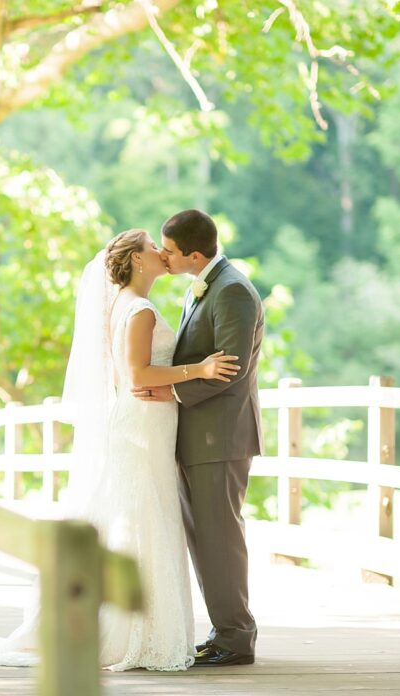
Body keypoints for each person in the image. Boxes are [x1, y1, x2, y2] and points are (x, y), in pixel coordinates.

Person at [0, 228, 239, 671]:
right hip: (142, 425)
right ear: (135, 260)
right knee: (143, 519)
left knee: (142, 518)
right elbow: (137, 377)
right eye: (154, 247)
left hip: (148, 423)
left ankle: (142, 627)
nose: (161, 253)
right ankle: (136, 634)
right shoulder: (141, 310)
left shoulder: (126, 306)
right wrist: (201, 368)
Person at [134, 209, 263, 667]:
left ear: (192, 254)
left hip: (219, 438)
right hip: (199, 436)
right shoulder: (207, 286)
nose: (162, 257)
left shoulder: (231, 292)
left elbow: (230, 371)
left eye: (168, 251)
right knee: (204, 538)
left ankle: (236, 638)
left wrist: (168, 388)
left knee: (219, 538)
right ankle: (224, 630)